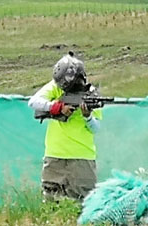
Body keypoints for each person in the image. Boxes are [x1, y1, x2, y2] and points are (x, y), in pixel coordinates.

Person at [27, 52, 102, 202]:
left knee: (84, 202)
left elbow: (96, 128)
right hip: (55, 154)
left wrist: (87, 116)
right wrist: (56, 108)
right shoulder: (55, 87)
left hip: (82, 157)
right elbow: (33, 102)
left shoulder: (91, 95)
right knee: (50, 200)